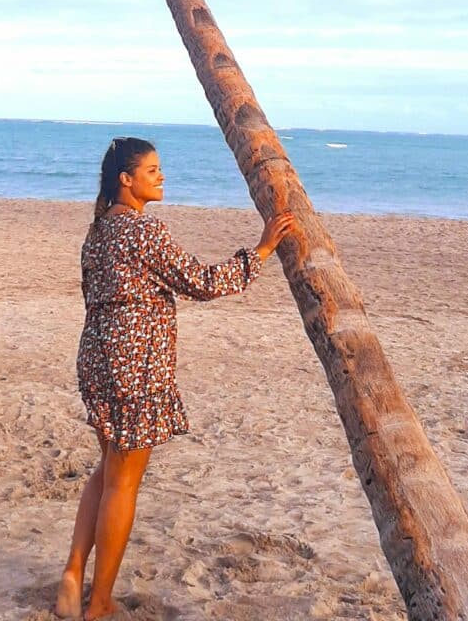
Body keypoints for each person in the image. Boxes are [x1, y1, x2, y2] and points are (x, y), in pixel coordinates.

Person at [55, 137, 296, 620]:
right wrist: (262, 250)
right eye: (151, 170)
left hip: (97, 358)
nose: (160, 176)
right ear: (126, 180)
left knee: (106, 473)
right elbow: (202, 282)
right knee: (122, 484)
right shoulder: (143, 232)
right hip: (135, 364)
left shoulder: (98, 232)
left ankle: (72, 577)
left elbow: (91, 295)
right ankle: (98, 603)